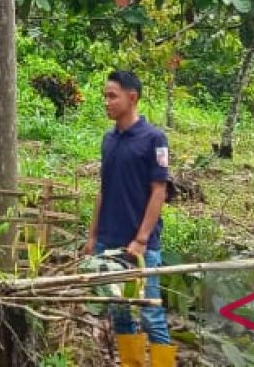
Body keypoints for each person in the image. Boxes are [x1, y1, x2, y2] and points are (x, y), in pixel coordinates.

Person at [83, 70, 177, 367]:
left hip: (141, 247)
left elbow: (159, 191)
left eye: (113, 96)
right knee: (120, 311)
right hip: (109, 242)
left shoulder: (154, 139)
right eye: (105, 96)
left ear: (132, 98)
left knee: (150, 313)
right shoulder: (108, 140)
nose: (106, 102)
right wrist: (93, 236)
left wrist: (141, 239)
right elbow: (103, 189)